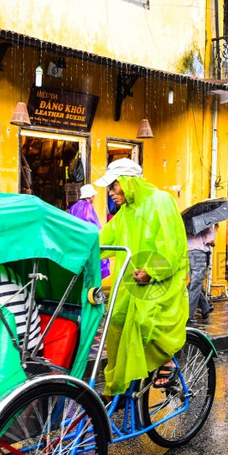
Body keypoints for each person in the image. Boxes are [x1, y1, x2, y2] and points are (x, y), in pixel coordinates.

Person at [95, 159, 189, 394]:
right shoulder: (124, 212)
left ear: (127, 183)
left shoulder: (161, 201)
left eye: (114, 186)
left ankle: (166, 361)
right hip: (131, 284)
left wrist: (152, 271)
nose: (111, 193)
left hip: (161, 282)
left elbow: (172, 244)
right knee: (115, 322)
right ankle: (118, 385)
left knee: (144, 321)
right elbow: (104, 239)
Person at [68, 183, 110, 278]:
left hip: (76, 243)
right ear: (90, 196)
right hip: (87, 242)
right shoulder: (88, 206)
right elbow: (90, 223)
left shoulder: (73, 207)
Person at [186, 224, 216, 324]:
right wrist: (213, 238)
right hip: (198, 253)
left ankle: (205, 308)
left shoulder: (186, 220)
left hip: (186, 252)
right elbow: (209, 240)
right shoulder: (204, 220)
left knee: (194, 283)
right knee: (196, 285)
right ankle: (188, 316)